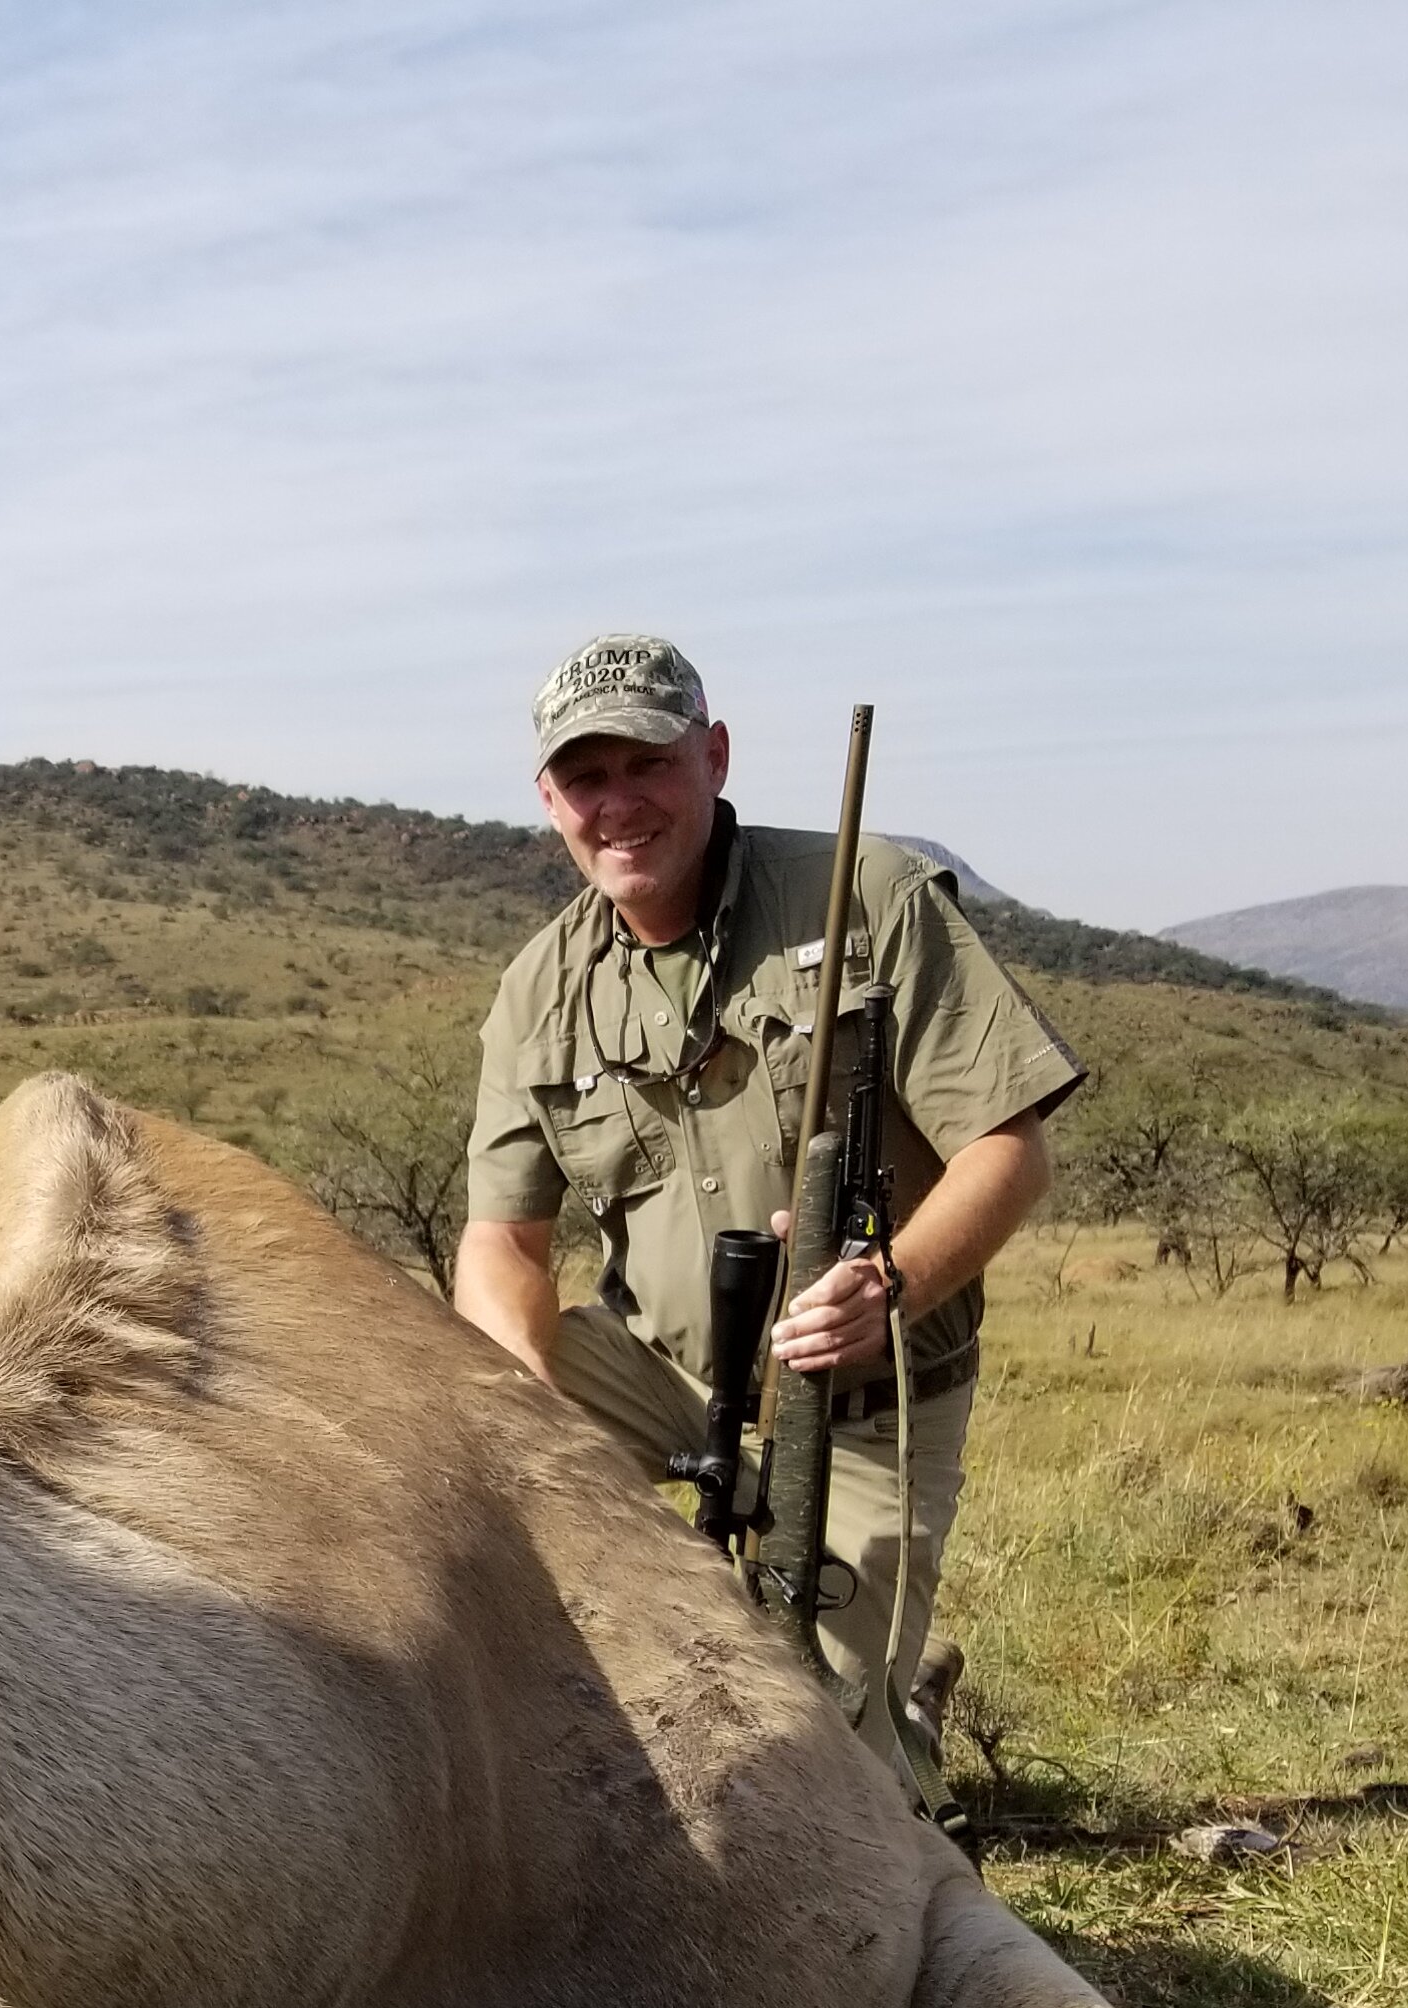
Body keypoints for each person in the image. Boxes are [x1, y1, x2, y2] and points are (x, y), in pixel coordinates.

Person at [452, 634, 1082, 1791]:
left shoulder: (872, 895)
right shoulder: (537, 987)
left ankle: (898, 1711)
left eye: (646, 762)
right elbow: (500, 1242)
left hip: (860, 1387)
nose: (618, 804)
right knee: (425, 1458)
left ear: (715, 756)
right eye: (585, 779)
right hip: (656, 1366)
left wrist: (886, 1284)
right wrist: (523, 1411)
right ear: (550, 801)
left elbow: (1012, 1147)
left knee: (821, 1782)